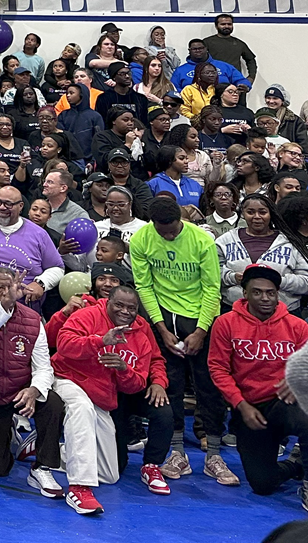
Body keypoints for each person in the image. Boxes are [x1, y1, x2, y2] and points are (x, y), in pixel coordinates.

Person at [129, 193, 234, 483]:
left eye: (173, 229)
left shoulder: (201, 240)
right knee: (170, 385)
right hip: (163, 315)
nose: (169, 235)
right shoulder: (141, 240)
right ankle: (177, 453)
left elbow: (212, 287)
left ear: (181, 219)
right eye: (163, 232)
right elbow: (144, 286)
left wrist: (201, 330)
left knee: (209, 386)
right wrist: (160, 328)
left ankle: (214, 455)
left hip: (200, 315)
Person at [51, 282, 173, 511]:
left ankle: (48, 450)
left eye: (131, 308)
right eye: (119, 305)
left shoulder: (141, 332)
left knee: (110, 474)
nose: (125, 312)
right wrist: (101, 341)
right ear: (108, 302)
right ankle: (79, 488)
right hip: (68, 378)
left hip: (104, 393)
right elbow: (63, 345)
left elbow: (137, 382)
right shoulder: (87, 315)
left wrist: (124, 370)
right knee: (81, 409)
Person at [0, 265, 65, 495]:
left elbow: (44, 367)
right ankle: (11, 434)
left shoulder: (33, 319)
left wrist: (34, 390)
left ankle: (43, 466)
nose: (9, 292)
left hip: (19, 392)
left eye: (12, 287)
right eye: (1, 288)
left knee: (53, 402)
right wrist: (5, 306)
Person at [208, 263, 308, 500]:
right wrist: (240, 405)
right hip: (250, 406)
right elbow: (218, 368)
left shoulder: (298, 326)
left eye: (270, 292)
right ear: (245, 293)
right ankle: (296, 464)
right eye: (257, 292)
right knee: (262, 484)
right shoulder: (226, 323)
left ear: (277, 294)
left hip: (284, 401)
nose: (265, 298)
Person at [203, 14, 258, 83]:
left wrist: (251, 77)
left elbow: (251, 60)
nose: (226, 26)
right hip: (213, 82)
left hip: (235, 82)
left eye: (229, 24)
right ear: (216, 26)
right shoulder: (207, 42)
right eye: (223, 24)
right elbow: (198, 61)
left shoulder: (239, 43)